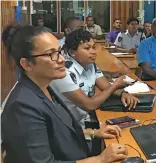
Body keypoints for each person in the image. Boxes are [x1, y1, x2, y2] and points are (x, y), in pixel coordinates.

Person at [1, 23, 127, 163]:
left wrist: (94, 133)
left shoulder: (45, 87)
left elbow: (58, 132)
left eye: (59, 51)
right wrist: (101, 159)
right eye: (51, 54)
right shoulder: (22, 106)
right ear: (27, 64)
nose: (61, 60)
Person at [50, 28, 139, 129]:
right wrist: (115, 85)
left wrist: (124, 93)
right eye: (87, 48)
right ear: (72, 52)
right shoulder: (65, 72)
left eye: (93, 47)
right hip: (69, 127)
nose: (93, 52)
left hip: (86, 120)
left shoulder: (90, 65)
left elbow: (106, 87)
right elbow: (89, 105)